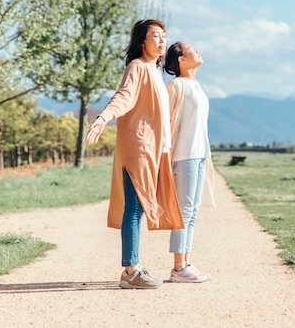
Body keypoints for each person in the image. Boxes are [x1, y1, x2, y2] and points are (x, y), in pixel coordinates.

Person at [86, 19, 184, 290]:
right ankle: (130, 270)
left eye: (164, 36)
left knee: (138, 209)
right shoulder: (138, 67)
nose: (162, 40)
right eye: (156, 36)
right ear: (143, 41)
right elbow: (124, 96)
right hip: (139, 147)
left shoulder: (155, 72)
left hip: (154, 149)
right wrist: (103, 117)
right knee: (133, 208)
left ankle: (133, 266)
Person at [163, 41, 216, 283]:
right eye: (191, 48)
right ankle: (177, 268)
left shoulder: (196, 85)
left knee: (192, 212)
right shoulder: (176, 86)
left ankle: (185, 263)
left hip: (199, 154)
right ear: (181, 60)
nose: (197, 50)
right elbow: (165, 123)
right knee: (183, 212)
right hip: (183, 155)